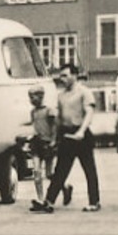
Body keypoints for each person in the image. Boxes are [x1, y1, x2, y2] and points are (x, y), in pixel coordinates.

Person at [33, 64, 101, 213]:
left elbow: (89, 113)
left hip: (81, 135)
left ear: (75, 75)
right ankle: (48, 201)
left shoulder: (84, 92)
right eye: (61, 75)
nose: (62, 78)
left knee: (89, 170)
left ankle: (94, 202)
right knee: (60, 171)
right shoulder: (61, 95)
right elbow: (58, 119)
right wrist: (54, 138)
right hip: (66, 134)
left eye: (65, 75)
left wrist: (82, 131)